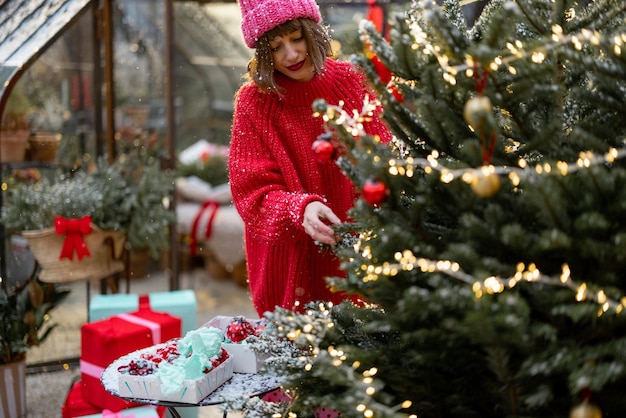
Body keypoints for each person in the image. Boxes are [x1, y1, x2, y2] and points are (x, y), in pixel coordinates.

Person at [229, 0, 392, 316]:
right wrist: (298, 208)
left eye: (296, 37)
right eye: (275, 47)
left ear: (313, 31)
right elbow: (252, 195)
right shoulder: (254, 103)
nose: (290, 55)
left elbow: (382, 160)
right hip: (291, 266)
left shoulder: (351, 80)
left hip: (357, 260)